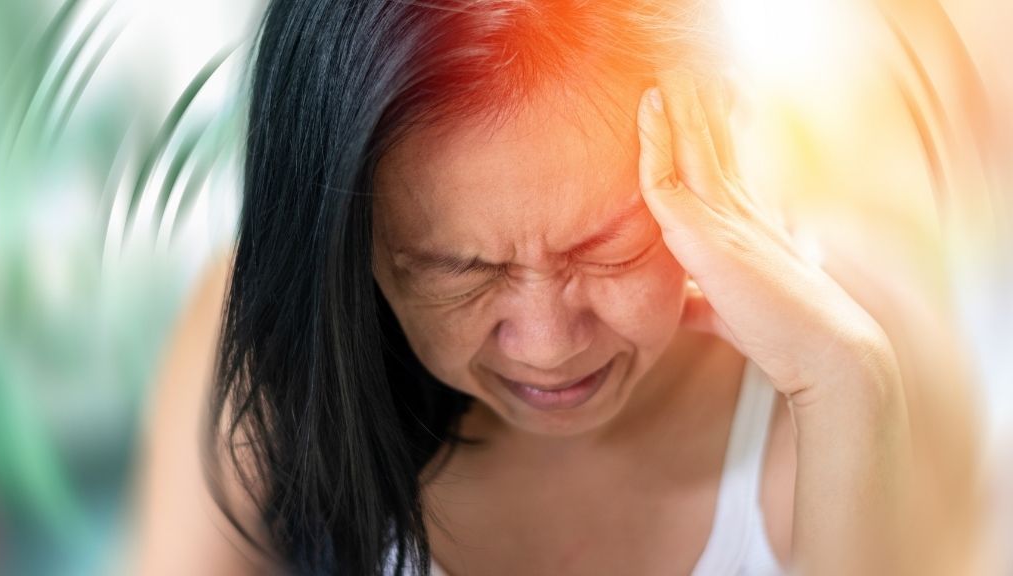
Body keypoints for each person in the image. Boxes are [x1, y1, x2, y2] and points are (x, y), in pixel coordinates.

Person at [130, 0, 984, 574]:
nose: (548, 343)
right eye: (457, 272)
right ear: (347, 245)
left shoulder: (860, 358)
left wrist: (843, 390)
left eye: (608, 245)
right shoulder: (262, 351)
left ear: (715, 137)